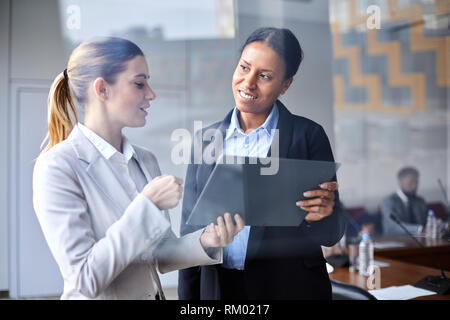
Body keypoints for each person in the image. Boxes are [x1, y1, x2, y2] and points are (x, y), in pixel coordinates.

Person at [32, 37, 244, 300]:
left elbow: (159, 254)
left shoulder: (145, 160)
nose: (151, 93)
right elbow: (84, 279)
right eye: (139, 83)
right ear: (102, 89)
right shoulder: (57, 167)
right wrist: (147, 203)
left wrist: (206, 241)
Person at [178, 27, 347, 300]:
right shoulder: (205, 141)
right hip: (220, 289)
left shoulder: (308, 136)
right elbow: (189, 234)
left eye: (265, 76)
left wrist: (325, 214)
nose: (248, 83)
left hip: (289, 289)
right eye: (244, 67)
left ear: (285, 85)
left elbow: (331, 233)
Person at [380, 166, 428, 235]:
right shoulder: (389, 201)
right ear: (400, 182)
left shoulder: (420, 201)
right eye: (411, 182)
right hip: (396, 240)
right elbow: (394, 226)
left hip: (422, 240)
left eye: (416, 182)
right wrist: (419, 229)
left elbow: (428, 221)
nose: (414, 186)